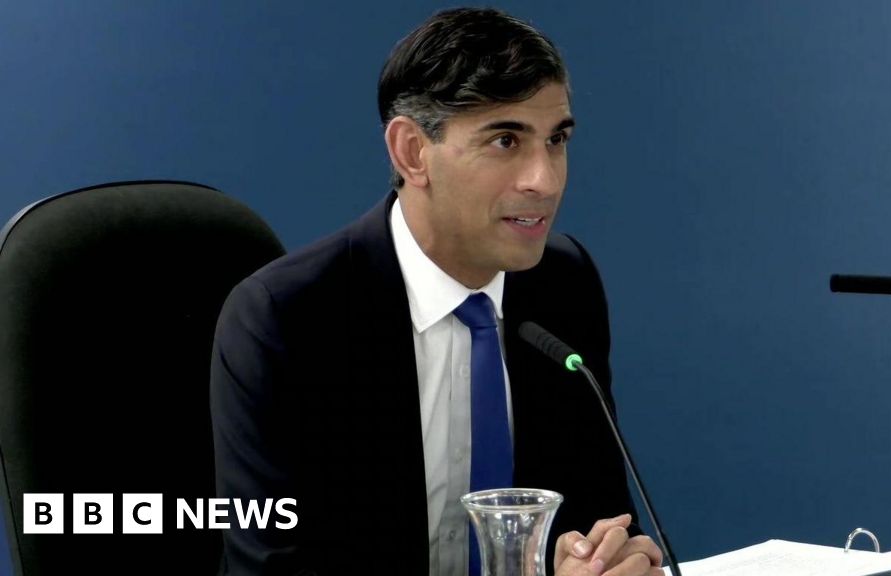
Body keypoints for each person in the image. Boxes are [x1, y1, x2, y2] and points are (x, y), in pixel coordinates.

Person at [210, 7, 664, 576]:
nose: (544, 180)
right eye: (505, 140)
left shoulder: (563, 282)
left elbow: (597, 510)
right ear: (412, 152)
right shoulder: (286, 318)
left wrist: (612, 557)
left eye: (556, 139)